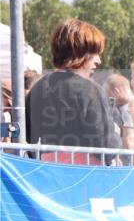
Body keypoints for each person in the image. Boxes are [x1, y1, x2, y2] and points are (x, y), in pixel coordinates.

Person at [26, 19, 120, 161]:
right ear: (79, 52)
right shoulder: (92, 91)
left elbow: (27, 138)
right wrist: (116, 133)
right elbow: (106, 150)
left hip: (44, 177)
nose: (98, 61)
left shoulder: (36, 89)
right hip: (84, 178)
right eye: (94, 53)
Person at [104, 74, 134, 151]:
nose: (108, 100)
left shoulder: (129, 109)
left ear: (116, 91)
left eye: (108, 95)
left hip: (131, 159)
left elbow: (129, 142)